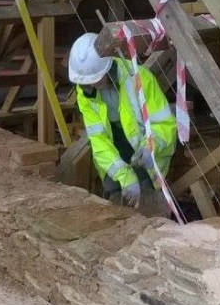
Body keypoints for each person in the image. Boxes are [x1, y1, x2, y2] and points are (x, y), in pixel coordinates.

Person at [69, 32, 176, 209]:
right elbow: (99, 140)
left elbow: (165, 124)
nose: (94, 85)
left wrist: (152, 145)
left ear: (108, 67)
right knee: (115, 199)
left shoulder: (140, 78)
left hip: (144, 147)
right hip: (113, 145)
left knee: (149, 198)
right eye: (88, 82)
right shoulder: (85, 93)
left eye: (97, 79)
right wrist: (124, 176)